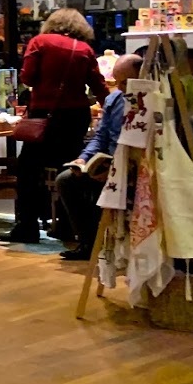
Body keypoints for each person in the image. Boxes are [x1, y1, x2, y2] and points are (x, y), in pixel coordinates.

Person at [0, 8, 107, 245]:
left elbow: (27, 78)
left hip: (46, 116)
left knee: (28, 169)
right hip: (76, 117)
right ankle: (67, 226)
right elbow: (98, 85)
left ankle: (27, 226)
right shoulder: (84, 49)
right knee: (67, 170)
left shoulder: (40, 42)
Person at [57, 53, 142, 261]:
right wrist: (83, 159)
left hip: (134, 166)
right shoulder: (114, 99)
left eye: (125, 82)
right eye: (117, 81)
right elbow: (100, 136)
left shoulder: (149, 103)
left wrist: (118, 168)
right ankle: (88, 241)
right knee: (66, 180)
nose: (120, 87)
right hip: (108, 161)